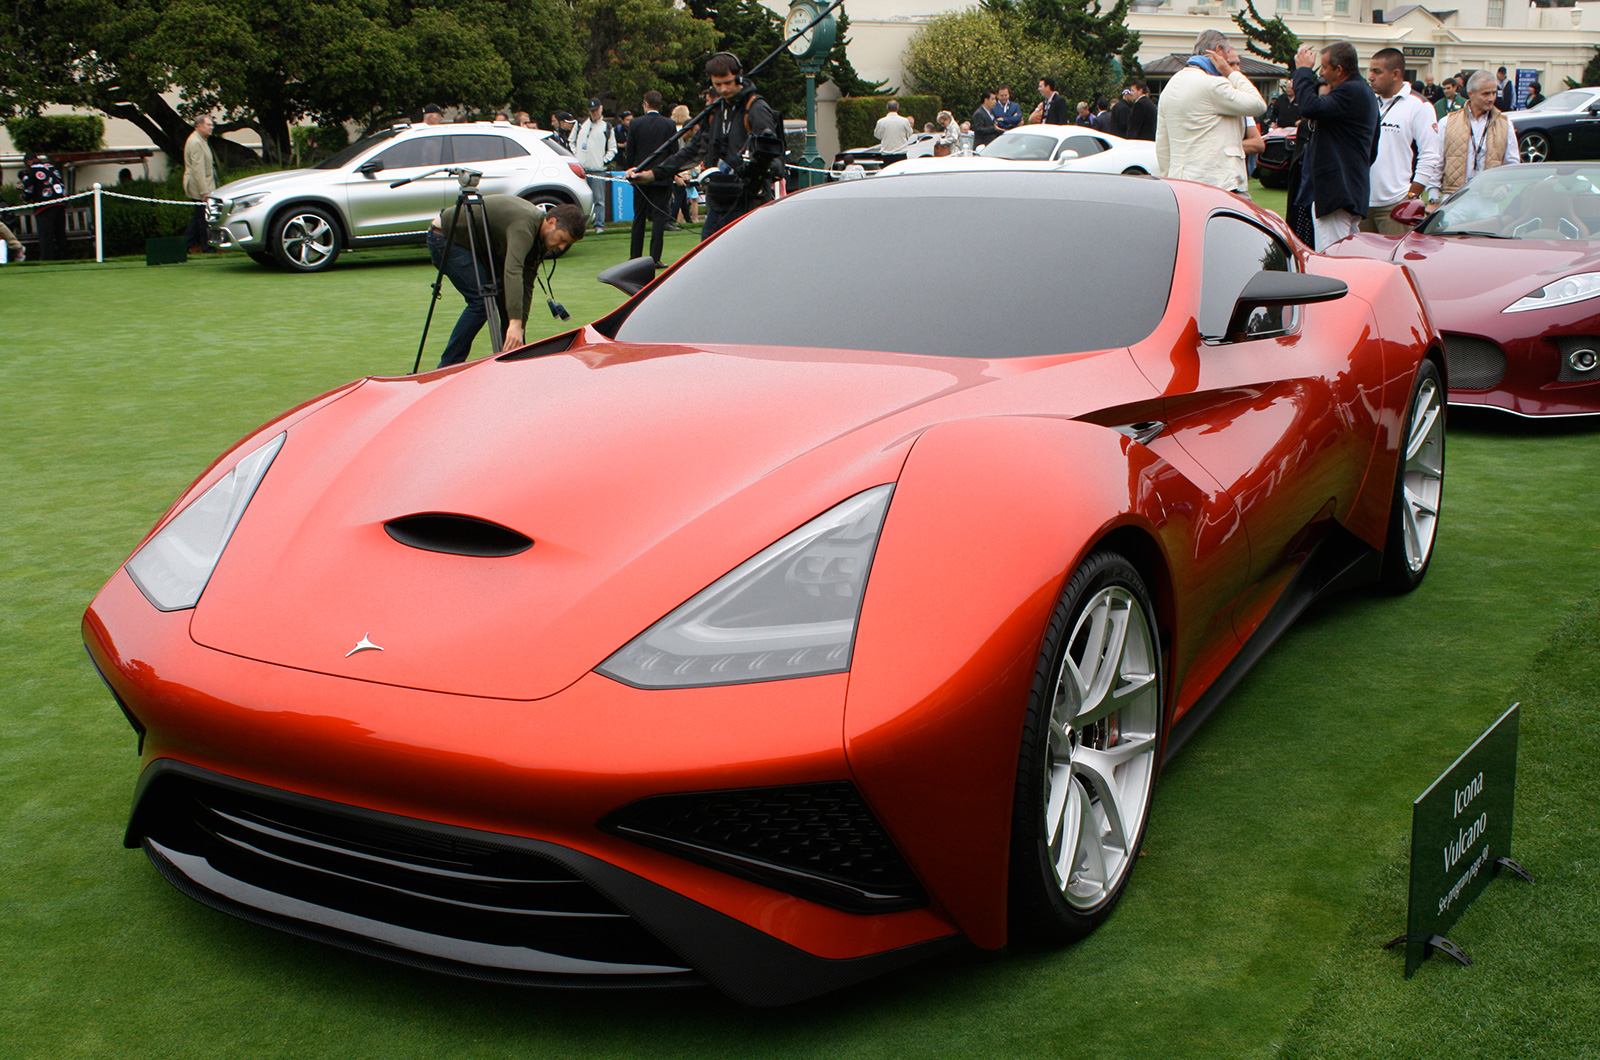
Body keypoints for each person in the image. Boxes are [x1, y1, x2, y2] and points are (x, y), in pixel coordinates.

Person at [633, 52, 782, 239]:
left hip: (750, 202)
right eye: (718, 84)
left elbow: (773, 156)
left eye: (728, 82)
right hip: (718, 202)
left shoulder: (756, 108)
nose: (724, 89)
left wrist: (756, 166)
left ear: (739, 76)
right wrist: (653, 173)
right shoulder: (714, 111)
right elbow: (692, 150)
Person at [426, 196, 586, 367]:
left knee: (505, 300)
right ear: (551, 222)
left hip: (477, 244)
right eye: (562, 239)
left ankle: (514, 360)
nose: (562, 247)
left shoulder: (540, 238)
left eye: (566, 244)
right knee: (481, 301)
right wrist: (515, 323)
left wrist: (519, 327)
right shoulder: (524, 227)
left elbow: (526, 283)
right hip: (445, 237)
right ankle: (448, 366)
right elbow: (513, 270)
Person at [1291, 41, 1380, 250]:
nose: (1321, 73)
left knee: (1332, 257)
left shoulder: (1350, 91)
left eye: (1324, 68)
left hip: (1337, 192)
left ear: (1339, 70)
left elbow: (1309, 107)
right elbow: (1373, 147)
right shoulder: (1364, 92)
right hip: (1349, 188)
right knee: (1344, 255)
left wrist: (1303, 71)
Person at [1155, 30, 1265, 195]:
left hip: (1180, 183)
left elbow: (1162, 146)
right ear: (1219, 51)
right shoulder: (1214, 84)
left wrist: (1170, 180)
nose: (1234, 66)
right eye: (1230, 58)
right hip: (1219, 184)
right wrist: (1231, 73)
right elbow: (1258, 105)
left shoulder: (1170, 86)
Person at [1363, 47, 1442, 235]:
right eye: (1370, 71)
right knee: (1362, 261)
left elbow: (1430, 155)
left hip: (1395, 202)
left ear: (1396, 74)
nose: (1371, 77)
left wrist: (1411, 196)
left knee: (1394, 260)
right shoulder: (1367, 101)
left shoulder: (1419, 105)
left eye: (1377, 71)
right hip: (1361, 201)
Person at [1415, 70, 1520, 201]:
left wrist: (1505, 186)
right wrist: (1433, 196)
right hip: (1454, 197)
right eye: (1486, 93)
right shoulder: (1447, 122)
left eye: (1494, 93)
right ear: (1471, 94)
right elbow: (1437, 161)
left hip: (1488, 199)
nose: (1491, 98)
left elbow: (1512, 164)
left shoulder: (1505, 124)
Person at [626, 91, 678, 268]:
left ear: (645, 104)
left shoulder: (635, 123)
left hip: (640, 177)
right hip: (662, 177)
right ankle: (654, 258)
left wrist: (631, 171)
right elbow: (674, 152)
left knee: (639, 217)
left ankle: (635, 258)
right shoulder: (669, 124)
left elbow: (630, 152)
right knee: (658, 218)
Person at [574, 99, 617, 233]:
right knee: (580, 199)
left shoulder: (607, 127)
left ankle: (599, 225)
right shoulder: (580, 124)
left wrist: (603, 161)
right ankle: (580, 226)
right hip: (581, 169)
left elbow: (613, 148)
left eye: (596, 110)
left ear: (601, 109)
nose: (595, 113)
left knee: (599, 200)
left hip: (598, 169)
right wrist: (576, 157)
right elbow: (571, 142)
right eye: (592, 111)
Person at [183, 115, 218, 253]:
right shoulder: (196, 142)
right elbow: (198, 170)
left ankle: (187, 246)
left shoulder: (200, 140)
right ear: (198, 126)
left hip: (202, 186)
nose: (211, 127)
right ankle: (207, 248)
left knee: (199, 218)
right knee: (202, 218)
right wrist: (204, 191)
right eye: (208, 125)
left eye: (211, 124)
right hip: (200, 187)